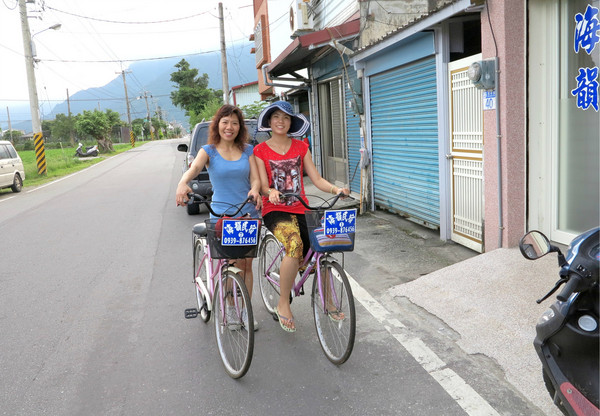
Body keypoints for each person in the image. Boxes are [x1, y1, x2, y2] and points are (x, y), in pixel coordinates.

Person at [253, 101, 349, 333]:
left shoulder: (301, 147)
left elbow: (316, 179)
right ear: (269, 121)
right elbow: (263, 186)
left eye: (286, 118)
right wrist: (271, 192)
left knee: (323, 246)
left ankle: (329, 300)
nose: (280, 121)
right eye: (276, 117)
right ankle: (283, 303)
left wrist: (336, 190)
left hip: (302, 207)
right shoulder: (260, 151)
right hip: (274, 210)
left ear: (291, 122)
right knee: (294, 244)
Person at [176, 104, 262, 330]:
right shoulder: (209, 150)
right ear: (218, 125)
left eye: (234, 123)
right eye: (225, 122)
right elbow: (193, 169)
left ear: (239, 127)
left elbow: (255, 179)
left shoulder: (247, 150)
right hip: (222, 216)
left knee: (246, 266)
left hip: (247, 214)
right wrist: (182, 182)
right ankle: (231, 309)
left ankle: (245, 311)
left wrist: (255, 189)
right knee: (230, 265)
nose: (230, 127)